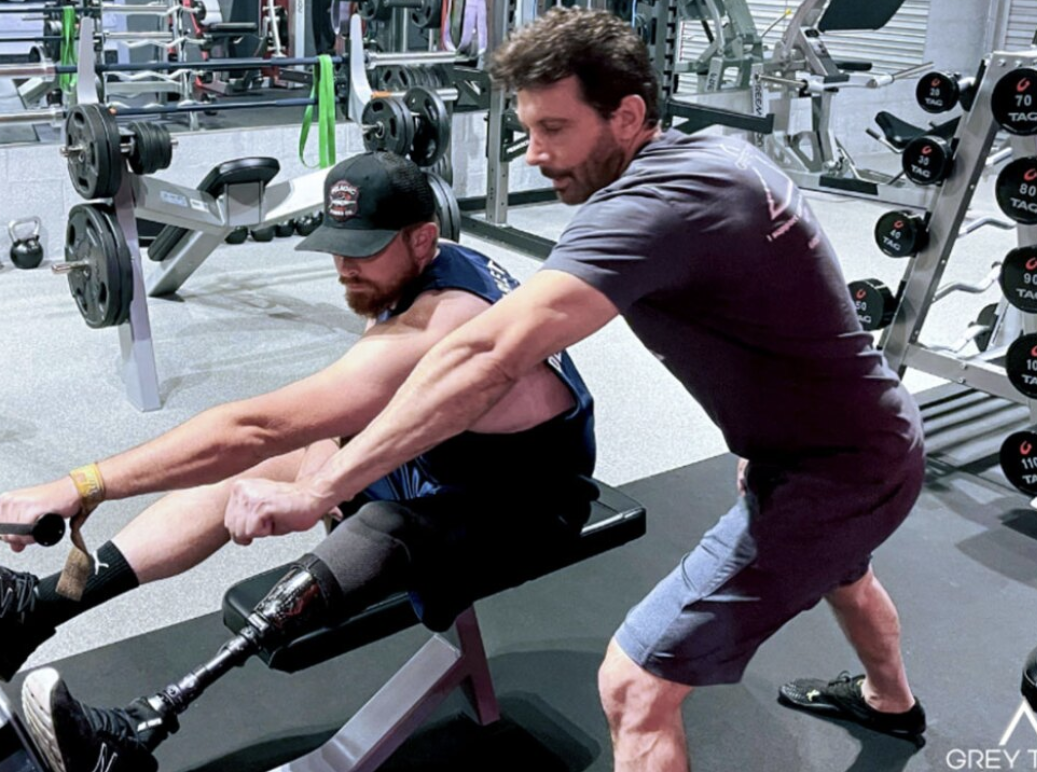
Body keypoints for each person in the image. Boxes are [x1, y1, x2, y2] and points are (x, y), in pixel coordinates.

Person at [227, 9, 928, 770]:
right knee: (843, 569)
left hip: (834, 470)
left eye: (554, 130)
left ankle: (879, 685)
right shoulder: (716, 159)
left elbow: (488, 353)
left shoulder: (649, 208)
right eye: (528, 130)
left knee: (634, 686)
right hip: (862, 435)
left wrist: (321, 484)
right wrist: (775, 438)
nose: (533, 156)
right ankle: (889, 700)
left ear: (626, 116)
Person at [0, 151, 597, 771]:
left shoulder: (441, 321)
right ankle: (31, 610)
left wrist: (83, 485)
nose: (345, 269)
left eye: (363, 252)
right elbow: (333, 414)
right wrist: (314, 472)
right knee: (254, 474)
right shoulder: (423, 266)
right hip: (447, 459)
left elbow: (253, 425)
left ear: (421, 239)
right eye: (338, 249)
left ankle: (130, 735)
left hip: (523, 502)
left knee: (377, 525)